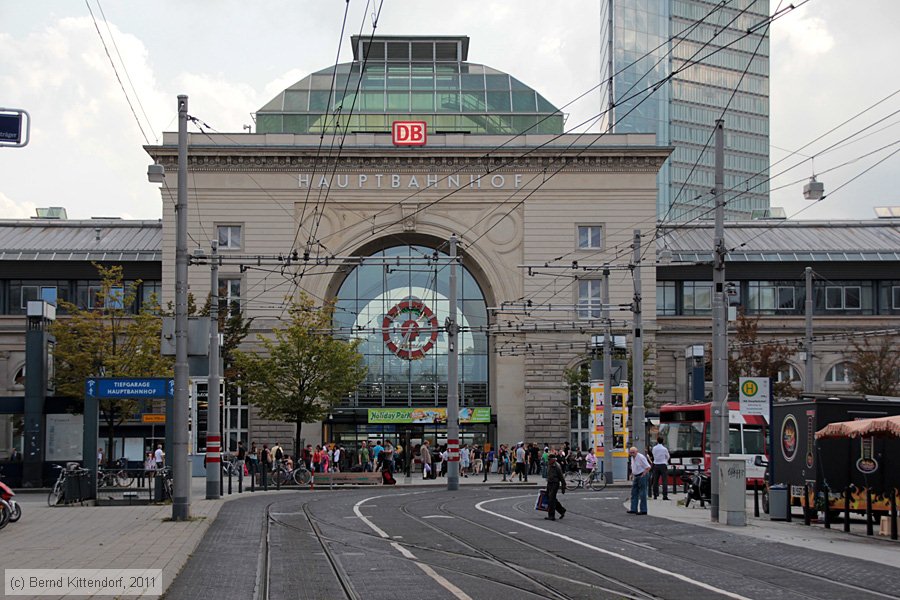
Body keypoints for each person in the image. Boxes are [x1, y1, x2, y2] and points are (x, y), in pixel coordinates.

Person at [628, 446, 651, 515]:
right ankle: (633, 509)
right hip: (636, 475)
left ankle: (643, 510)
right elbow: (634, 467)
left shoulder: (641, 457)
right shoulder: (632, 458)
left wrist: (643, 474)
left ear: (637, 452)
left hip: (642, 475)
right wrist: (632, 474)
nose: (632, 454)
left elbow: (648, 467)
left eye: (633, 452)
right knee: (634, 492)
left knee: (642, 493)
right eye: (631, 452)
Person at [544, 454, 567, 521]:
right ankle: (562, 510)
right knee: (550, 498)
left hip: (555, 483)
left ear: (553, 459)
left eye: (549, 459)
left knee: (551, 499)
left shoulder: (557, 466)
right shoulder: (550, 465)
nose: (548, 461)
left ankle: (551, 516)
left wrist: (563, 487)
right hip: (550, 483)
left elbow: (562, 477)